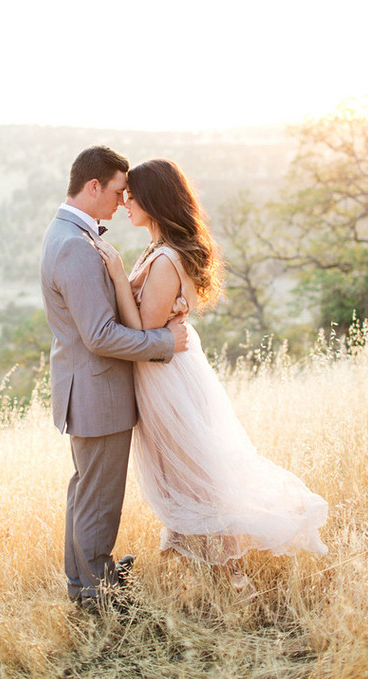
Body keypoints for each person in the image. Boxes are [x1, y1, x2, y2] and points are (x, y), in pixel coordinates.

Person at [98, 158, 328, 579]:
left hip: (165, 375)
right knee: (181, 472)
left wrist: (116, 276)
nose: (125, 202)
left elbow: (146, 330)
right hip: (164, 371)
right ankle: (191, 572)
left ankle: (235, 581)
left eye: (132, 195)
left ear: (154, 199)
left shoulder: (166, 259)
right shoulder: (158, 250)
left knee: (196, 477)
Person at [40, 146, 188, 611]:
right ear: (94, 187)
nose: (123, 202)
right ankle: (94, 595)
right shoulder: (73, 245)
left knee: (88, 490)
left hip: (87, 387)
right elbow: (101, 335)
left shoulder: (69, 234)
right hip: (96, 389)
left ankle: (89, 576)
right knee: (99, 496)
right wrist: (166, 343)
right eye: (119, 191)